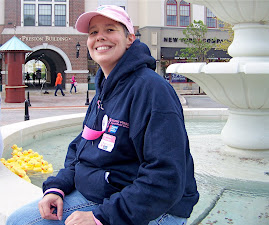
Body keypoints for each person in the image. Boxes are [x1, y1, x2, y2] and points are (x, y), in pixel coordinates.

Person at [7, 5, 199, 225]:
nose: (100, 37)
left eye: (110, 30)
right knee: (18, 219)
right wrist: (57, 187)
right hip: (103, 194)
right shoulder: (105, 89)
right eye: (93, 32)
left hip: (150, 208)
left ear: (129, 39)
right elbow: (80, 149)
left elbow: (165, 177)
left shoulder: (151, 90)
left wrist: (101, 218)